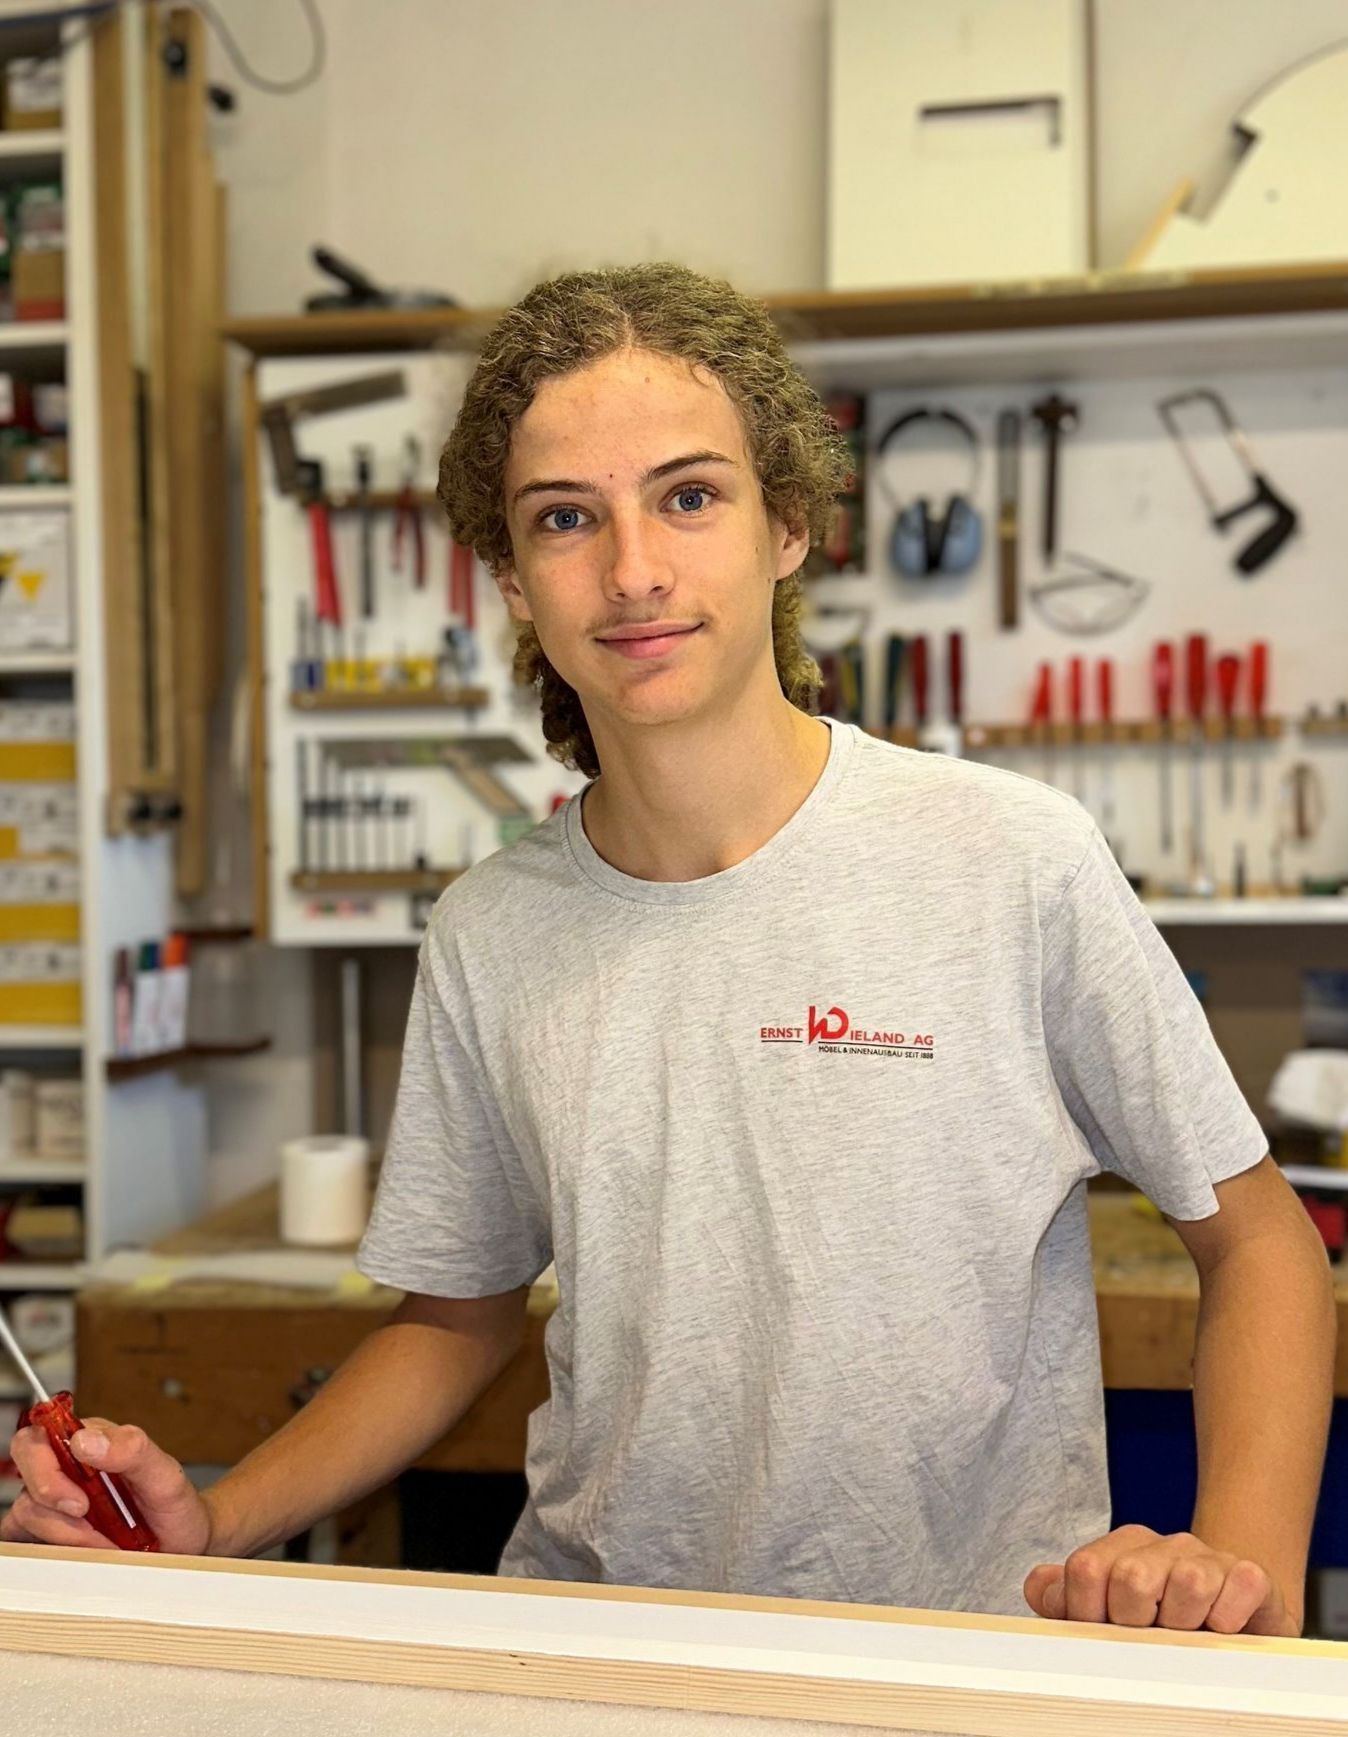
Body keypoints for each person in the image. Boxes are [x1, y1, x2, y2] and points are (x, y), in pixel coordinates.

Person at [3, 264, 1334, 1636]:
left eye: (689, 496)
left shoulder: (1011, 859)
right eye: (567, 519)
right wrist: (215, 1521)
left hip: (966, 1650)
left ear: (788, 528)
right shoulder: (490, 930)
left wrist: (1237, 1576)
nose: (633, 569)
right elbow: (451, 1317)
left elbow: (1262, 1250)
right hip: (608, 1647)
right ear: (516, 582)